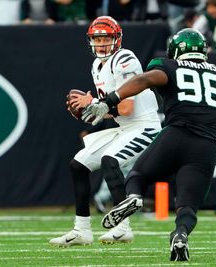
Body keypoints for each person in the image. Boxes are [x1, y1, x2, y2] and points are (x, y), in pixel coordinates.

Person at [82, 28, 216, 261]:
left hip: (176, 134)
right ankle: (180, 234)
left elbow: (145, 79)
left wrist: (109, 100)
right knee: (187, 204)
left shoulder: (169, 66)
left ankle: (134, 197)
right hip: (207, 144)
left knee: (138, 175)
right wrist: (206, 107)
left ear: (175, 50)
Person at [49, 16, 162, 246]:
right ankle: (82, 230)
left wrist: (95, 103)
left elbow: (127, 107)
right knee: (78, 165)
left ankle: (123, 228)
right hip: (125, 127)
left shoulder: (124, 59)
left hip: (145, 126)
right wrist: (94, 109)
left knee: (110, 160)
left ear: (116, 39)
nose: (101, 44)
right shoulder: (96, 66)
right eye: (97, 39)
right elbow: (114, 111)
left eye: (105, 38)